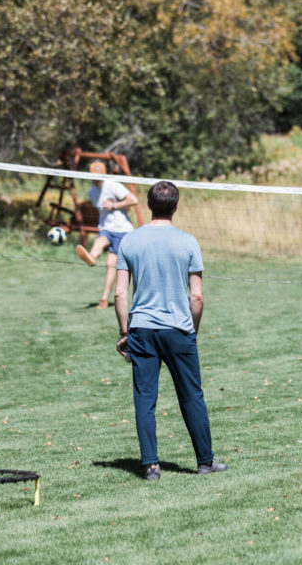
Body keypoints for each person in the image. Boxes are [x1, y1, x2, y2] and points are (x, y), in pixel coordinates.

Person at [113, 181, 227, 481]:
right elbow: (197, 296)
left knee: (144, 397)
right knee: (192, 395)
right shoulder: (188, 242)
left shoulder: (129, 242)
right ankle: (205, 461)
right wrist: (193, 330)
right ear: (176, 206)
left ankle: (150, 466)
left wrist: (125, 331)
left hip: (142, 330)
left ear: (149, 205)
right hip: (178, 329)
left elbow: (120, 295)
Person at [75, 160, 138, 308]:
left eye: (99, 174)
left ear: (104, 174)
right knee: (101, 239)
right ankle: (92, 257)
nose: (96, 177)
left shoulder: (113, 185)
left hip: (122, 230)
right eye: (94, 175)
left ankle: (104, 299)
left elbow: (133, 200)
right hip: (106, 227)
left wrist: (114, 205)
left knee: (111, 265)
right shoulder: (92, 192)